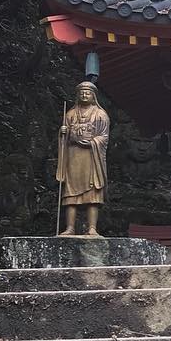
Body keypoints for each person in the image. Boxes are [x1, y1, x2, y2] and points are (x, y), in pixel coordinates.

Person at [57, 81, 109, 237]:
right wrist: (62, 133)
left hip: (91, 157)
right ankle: (70, 227)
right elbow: (63, 140)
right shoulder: (70, 114)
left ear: (93, 96)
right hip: (73, 156)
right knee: (70, 194)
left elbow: (104, 137)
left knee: (93, 194)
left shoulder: (100, 115)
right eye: (82, 93)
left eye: (87, 93)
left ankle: (92, 228)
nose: (84, 95)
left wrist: (92, 142)